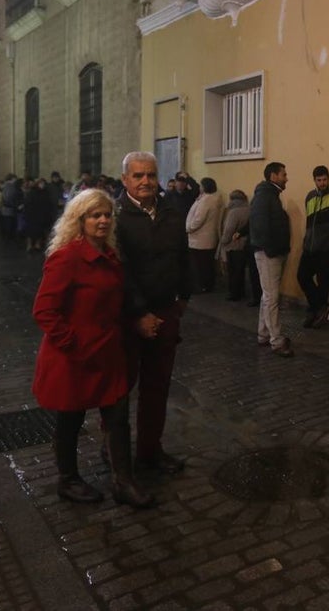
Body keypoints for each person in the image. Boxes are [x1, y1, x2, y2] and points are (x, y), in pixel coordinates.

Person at [30, 188, 155, 508]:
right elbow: (44, 310)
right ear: (79, 219)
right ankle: (68, 480)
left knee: (117, 419)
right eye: (94, 215)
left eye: (107, 214)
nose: (102, 220)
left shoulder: (110, 256)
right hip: (75, 357)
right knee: (70, 420)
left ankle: (124, 482)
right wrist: (74, 344)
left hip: (108, 353)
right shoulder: (66, 258)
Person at [116, 151, 191, 474]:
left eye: (150, 175)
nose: (146, 181)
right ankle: (115, 452)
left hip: (166, 312)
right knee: (120, 389)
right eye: (138, 176)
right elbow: (120, 270)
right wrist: (138, 313)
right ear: (125, 180)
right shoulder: (115, 217)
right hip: (128, 319)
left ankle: (150, 450)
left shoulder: (171, 213)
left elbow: (182, 255)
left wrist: (184, 296)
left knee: (157, 387)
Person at [250, 161, 293, 356]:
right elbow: (260, 225)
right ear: (274, 176)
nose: (286, 178)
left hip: (273, 252)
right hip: (269, 253)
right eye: (284, 174)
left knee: (267, 296)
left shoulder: (270, 195)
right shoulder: (265, 196)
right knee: (272, 297)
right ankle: (276, 340)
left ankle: (263, 334)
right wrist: (271, 249)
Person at [297, 166, 329, 328]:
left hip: (326, 247)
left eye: (325, 179)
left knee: (324, 282)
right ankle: (319, 307)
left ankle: (317, 312)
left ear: (328, 179)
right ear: (314, 180)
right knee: (302, 276)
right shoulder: (310, 197)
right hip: (310, 246)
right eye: (319, 180)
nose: (322, 183)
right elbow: (309, 223)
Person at [218, 189, 258, 303]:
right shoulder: (250, 209)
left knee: (233, 271)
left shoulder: (233, 212)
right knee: (241, 271)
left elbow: (229, 230)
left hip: (234, 245)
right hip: (246, 244)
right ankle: (242, 292)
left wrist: (223, 241)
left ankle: (234, 293)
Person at [186, 177, 223, 294]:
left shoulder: (206, 200)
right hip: (205, 238)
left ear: (205, 187)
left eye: (201, 185)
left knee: (200, 265)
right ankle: (206, 285)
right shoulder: (213, 199)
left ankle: (202, 286)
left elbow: (199, 219)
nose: (200, 187)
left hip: (199, 238)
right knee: (206, 264)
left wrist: (189, 228)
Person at [23, 178, 56, 251]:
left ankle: (37, 244)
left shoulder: (45, 193)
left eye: (43, 184)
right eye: (41, 183)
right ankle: (30, 245)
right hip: (32, 215)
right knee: (31, 231)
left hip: (41, 215)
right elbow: (28, 204)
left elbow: (48, 203)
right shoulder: (32, 192)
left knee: (40, 231)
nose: (42, 185)